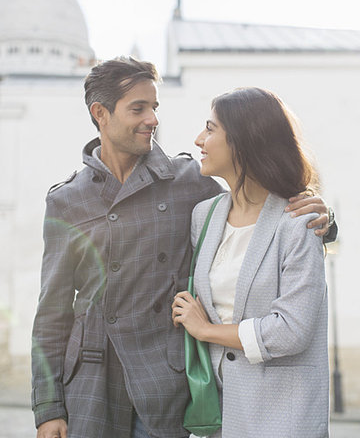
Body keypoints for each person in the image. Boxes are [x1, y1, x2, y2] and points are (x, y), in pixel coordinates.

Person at [32, 58, 335, 438]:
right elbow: (51, 313)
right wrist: (48, 407)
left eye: (154, 107)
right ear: (101, 114)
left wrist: (323, 217)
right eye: (138, 108)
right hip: (93, 384)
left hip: (165, 385)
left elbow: (257, 205)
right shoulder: (67, 201)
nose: (152, 119)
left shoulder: (187, 181)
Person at [172, 87, 331, 438]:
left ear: (243, 142)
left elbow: (291, 331)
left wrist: (206, 330)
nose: (199, 139)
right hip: (219, 417)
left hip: (281, 419)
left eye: (211, 129)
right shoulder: (205, 215)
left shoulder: (297, 221)